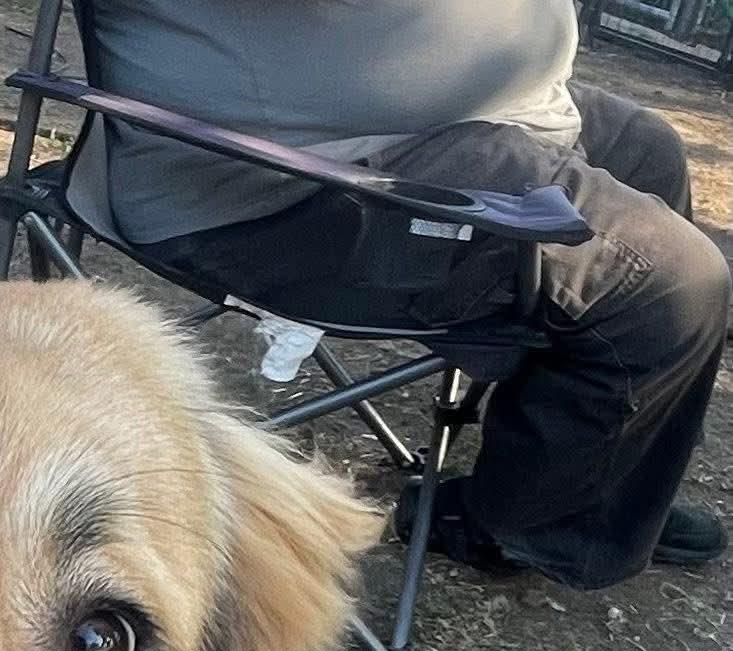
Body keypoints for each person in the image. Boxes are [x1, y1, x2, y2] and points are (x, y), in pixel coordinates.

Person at [90, 0, 730, 587]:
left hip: (442, 120)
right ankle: (522, 529)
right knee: (669, 281)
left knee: (649, 149)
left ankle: (600, 481)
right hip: (283, 183)